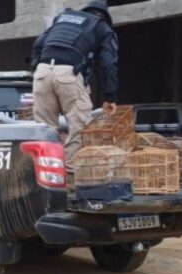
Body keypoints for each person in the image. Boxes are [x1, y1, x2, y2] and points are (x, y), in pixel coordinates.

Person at [31, 1, 119, 173]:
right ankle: (70, 175)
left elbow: (38, 45)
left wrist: (36, 70)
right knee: (80, 126)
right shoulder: (102, 27)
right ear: (104, 18)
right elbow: (108, 64)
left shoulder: (63, 18)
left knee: (44, 128)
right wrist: (110, 97)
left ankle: (45, 173)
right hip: (68, 73)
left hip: (42, 71)